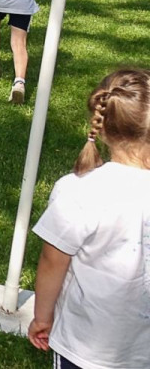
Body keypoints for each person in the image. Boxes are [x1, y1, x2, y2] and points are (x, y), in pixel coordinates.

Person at [28, 69, 150, 368]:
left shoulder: (77, 190)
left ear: (103, 128)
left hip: (83, 345)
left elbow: (52, 261)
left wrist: (42, 317)